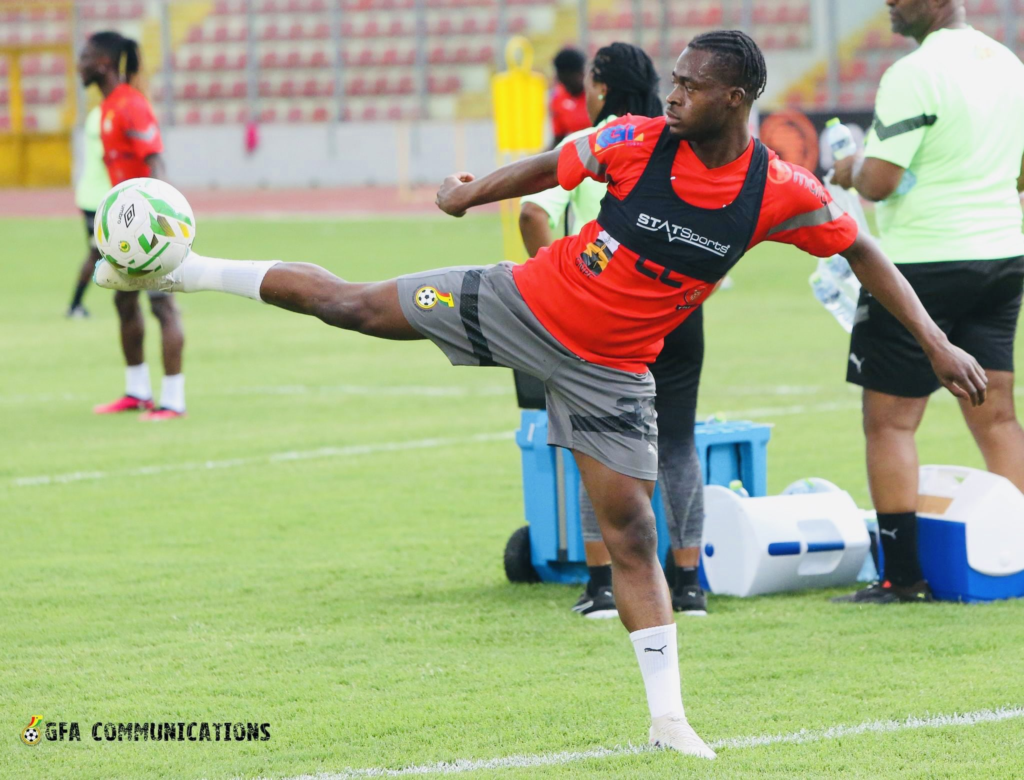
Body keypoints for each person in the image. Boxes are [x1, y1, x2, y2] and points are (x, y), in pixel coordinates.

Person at [95, 30, 986, 759]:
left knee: (632, 533)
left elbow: (861, 249)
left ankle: (668, 717)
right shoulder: (638, 143)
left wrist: (938, 341)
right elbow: (556, 162)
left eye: (689, 86)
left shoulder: (774, 193)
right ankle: (183, 266)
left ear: (735, 99)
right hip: (522, 303)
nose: (670, 95)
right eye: (670, 80)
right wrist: (467, 194)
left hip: (613, 371)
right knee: (354, 306)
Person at [831, 0, 1024, 604]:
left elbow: (881, 179)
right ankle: (1017, 558)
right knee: (996, 415)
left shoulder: (913, 73)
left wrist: (850, 167)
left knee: (890, 421)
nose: (888, 2)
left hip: (922, 263)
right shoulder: (1008, 62)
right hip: (1002, 253)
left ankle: (903, 577)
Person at [520, 42, 709, 618]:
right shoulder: (683, 145)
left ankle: (602, 585)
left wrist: (557, 283)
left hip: (599, 314)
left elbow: (532, 211)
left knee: (593, 446)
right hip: (676, 311)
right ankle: (690, 585)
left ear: (598, 88)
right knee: (677, 441)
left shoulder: (597, 143)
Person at [79, 31, 187, 420]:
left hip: (149, 228)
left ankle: (173, 400)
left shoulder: (130, 105)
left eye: (86, 56)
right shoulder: (108, 108)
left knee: (163, 307)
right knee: (123, 300)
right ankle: (137, 392)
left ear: (104, 63)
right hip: (123, 226)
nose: (80, 63)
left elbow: (155, 160)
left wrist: (164, 225)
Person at [68, 104, 111, 318]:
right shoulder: (99, 116)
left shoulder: (106, 113)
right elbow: (108, 156)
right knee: (96, 252)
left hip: (107, 197)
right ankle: (74, 305)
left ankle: (158, 299)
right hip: (95, 199)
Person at [549, 47, 590, 146]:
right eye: (562, 82)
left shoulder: (596, 95)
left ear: (582, 73)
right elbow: (558, 138)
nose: (566, 87)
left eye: (569, 82)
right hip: (578, 152)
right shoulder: (558, 98)